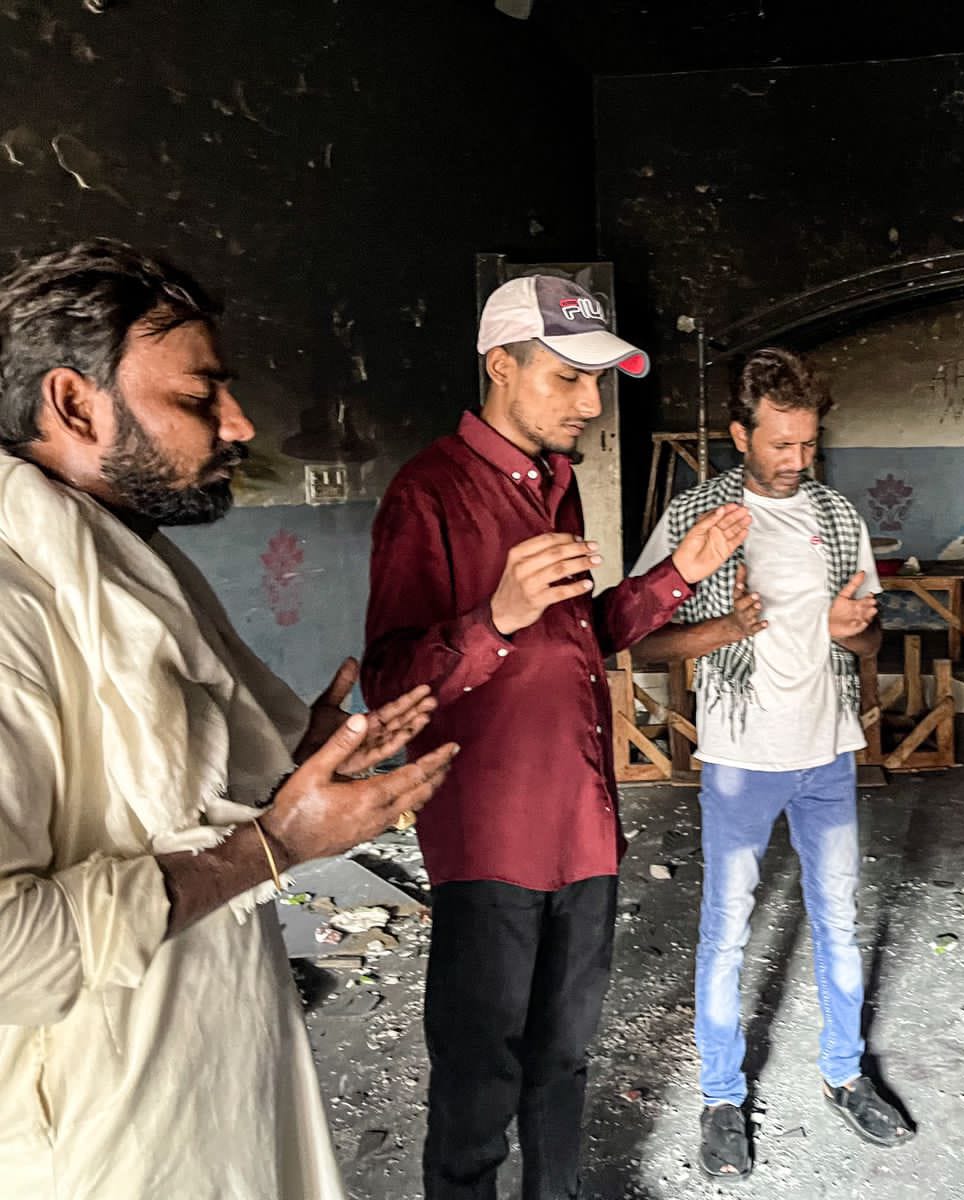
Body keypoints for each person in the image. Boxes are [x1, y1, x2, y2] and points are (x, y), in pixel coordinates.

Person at [0, 239, 456, 1198]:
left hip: (205, 1079)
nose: (241, 424)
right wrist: (277, 843)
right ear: (74, 403)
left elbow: (154, 783)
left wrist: (291, 758)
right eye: (200, 398)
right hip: (97, 1139)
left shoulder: (120, 551)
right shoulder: (15, 605)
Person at [361, 274, 748, 1200]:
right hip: (491, 839)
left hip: (581, 828)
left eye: (599, 381)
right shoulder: (431, 495)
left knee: (564, 1059)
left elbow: (576, 640)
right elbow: (387, 686)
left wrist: (676, 578)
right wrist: (494, 614)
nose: (591, 403)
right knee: (478, 1077)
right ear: (500, 364)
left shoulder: (556, 489)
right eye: (569, 378)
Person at [630, 346, 914, 1180]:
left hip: (827, 752)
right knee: (726, 931)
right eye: (781, 444)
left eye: (808, 445)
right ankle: (721, 1097)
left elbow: (872, 638)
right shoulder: (698, 517)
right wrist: (726, 628)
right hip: (740, 759)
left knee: (838, 923)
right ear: (739, 435)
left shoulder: (835, 516)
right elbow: (639, 637)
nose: (797, 461)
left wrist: (851, 630)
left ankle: (844, 1074)